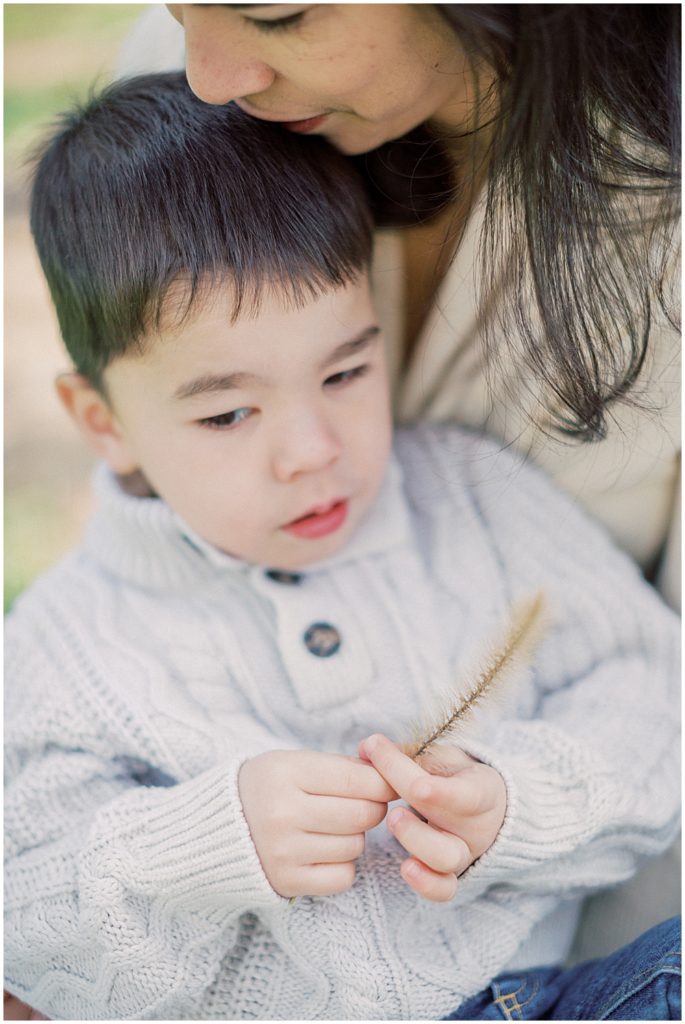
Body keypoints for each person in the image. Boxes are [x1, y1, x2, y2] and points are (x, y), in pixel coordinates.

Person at [4, 72, 680, 1021]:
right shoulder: (65, 648)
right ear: (101, 420)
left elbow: (650, 690)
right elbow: (29, 928)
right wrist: (207, 845)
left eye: (347, 370)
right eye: (230, 412)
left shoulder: (469, 499)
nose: (313, 451)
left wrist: (512, 804)